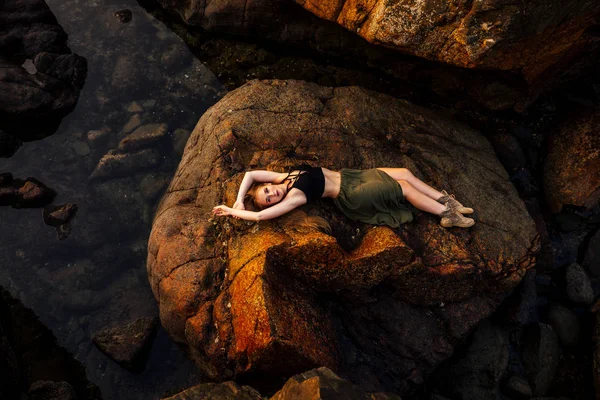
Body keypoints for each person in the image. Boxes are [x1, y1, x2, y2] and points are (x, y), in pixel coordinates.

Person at [212, 166, 475, 228]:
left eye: (266, 190)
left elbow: (250, 174)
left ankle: (445, 200)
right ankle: (447, 215)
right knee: (404, 187)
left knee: (404, 172)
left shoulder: (284, 177)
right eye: (270, 199)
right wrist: (232, 210)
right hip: (352, 193)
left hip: (352, 176)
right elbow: (258, 215)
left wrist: (239, 197)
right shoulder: (295, 197)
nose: (272, 194)